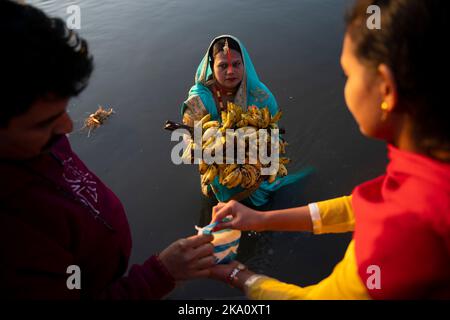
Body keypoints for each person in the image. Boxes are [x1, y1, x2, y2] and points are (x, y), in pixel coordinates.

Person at [208, 0, 450, 299]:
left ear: (386, 88)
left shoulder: (397, 234)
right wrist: (261, 219)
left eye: (348, 75)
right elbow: (358, 207)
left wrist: (238, 276)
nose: (346, 87)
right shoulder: (427, 171)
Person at [0, 0, 215, 299]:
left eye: (64, 109)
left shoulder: (34, 141)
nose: (67, 127)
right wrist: (160, 274)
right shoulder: (14, 238)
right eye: (44, 123)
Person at [181, 35, 308, 207]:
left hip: (257, 172)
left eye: (236, 64)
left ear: (244, 64)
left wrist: (256, 155)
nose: (231, 71)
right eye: (223, 66)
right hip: (218, 172)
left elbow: (274, 135)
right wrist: (213, 149)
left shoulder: (261, 96)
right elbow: (187, 140)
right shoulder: (200, 99)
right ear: (212, 67)